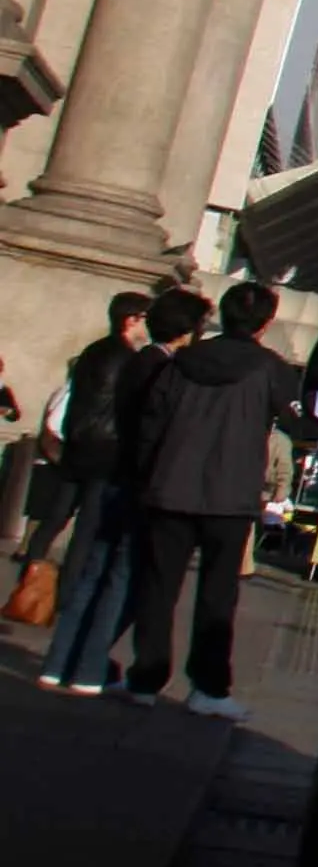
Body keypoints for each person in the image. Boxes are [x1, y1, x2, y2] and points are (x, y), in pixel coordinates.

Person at [125, 281, 318, 717]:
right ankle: (208, 688)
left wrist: (148, 475)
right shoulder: (271, 369)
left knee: (159, 587)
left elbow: (151, 422)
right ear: (265, 324)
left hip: (171, 485)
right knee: (218, 595)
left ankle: (145, 677)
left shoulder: (182, 362)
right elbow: (302, 424)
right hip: (231, 495)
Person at [41, 288, 206, 695]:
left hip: (114, 474)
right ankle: (88, 669)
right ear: (186, 330)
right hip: (139, 480)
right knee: (120, 577)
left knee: (93, 571)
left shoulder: (135, 361)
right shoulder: (166, 370)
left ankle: (58, 662)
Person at [17, 291, 147, 573]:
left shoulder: (92, 351)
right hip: (107, 450)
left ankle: (29, 575)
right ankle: (66, 592)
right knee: (87, 528)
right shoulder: (128, 359)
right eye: (144, 320)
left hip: (78, 444)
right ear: (131, 320)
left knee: (56, 517)